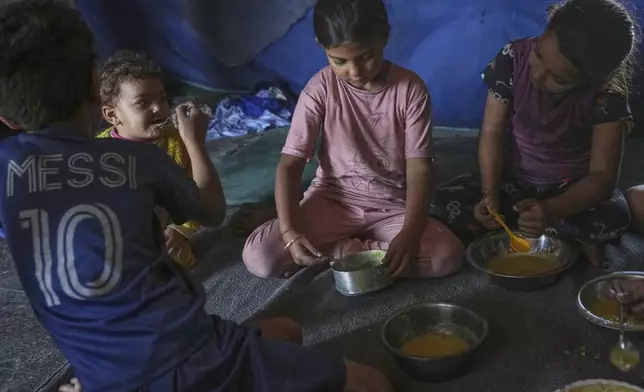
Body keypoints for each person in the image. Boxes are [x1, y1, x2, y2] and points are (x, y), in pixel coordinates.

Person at [0, 1, 392, 391]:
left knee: (285, 331)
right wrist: (194, 141)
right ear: (97, 90)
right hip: (190, 357)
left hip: (104, 376)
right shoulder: (135, 159)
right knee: (373, 383)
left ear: (7, 118)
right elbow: (213, 211)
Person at [242, 0, 464, 279]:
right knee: (261, 258)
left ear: (384, 37)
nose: (355, 71)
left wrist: (408, 233)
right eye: (340, 61)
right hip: (333, 201)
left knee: (447, 256)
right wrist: (290, 233)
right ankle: (365, 255)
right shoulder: (320, 88)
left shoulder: (410, 90)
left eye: (366, 56)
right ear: (321, 47)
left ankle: (342, 252)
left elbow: (420, 167)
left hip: (393, 207)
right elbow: (290, 164)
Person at [432, 0, 637, 267]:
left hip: (570, 189)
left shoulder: (607, 96)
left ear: (594, 79)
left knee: (614, 217)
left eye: (559, 79)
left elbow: (602, 177)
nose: (538, 75)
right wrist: (490, 194)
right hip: (513, 181)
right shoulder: (512, 58)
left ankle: (538, 227)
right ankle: (554, 235)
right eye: (539, 54)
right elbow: (492, 132)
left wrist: (554, 209)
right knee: (436, 203)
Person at [96, 50, 224, 269]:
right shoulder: (96, 154)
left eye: (163, 99)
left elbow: (200, 193)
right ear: (112, 115)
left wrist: (180, 231)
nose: (159, 108)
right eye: (142, 103)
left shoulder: (177, 143)